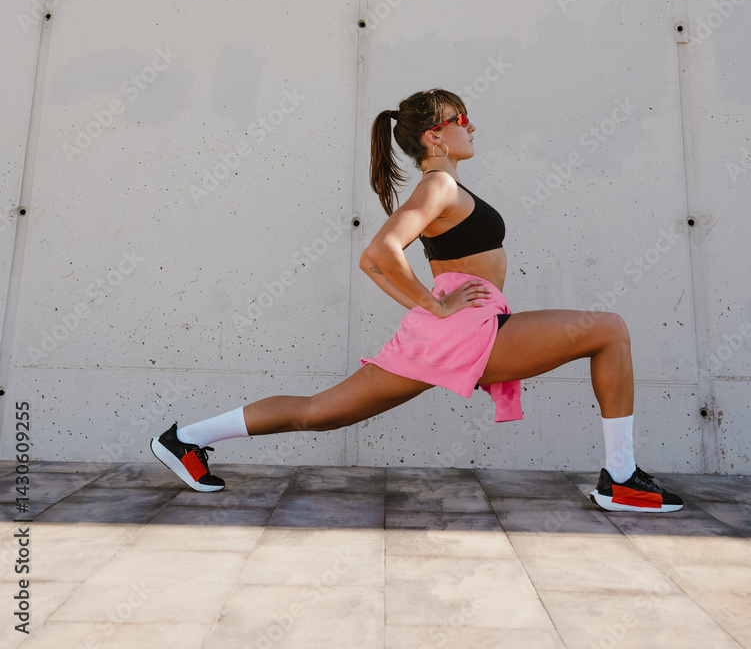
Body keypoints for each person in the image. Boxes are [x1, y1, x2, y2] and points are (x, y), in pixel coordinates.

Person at [151, 87, 683, 513]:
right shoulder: (439, 187)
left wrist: (435, 310)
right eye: (460, 118)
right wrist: (437, 304)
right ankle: (620, 481)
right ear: (436, 135)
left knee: (320, 413)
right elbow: (379, 252)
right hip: (464, 330)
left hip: (456, 332)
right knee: (609, 329)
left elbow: (384, 258)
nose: (470, 125)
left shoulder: (445, 185)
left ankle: (185, 439)